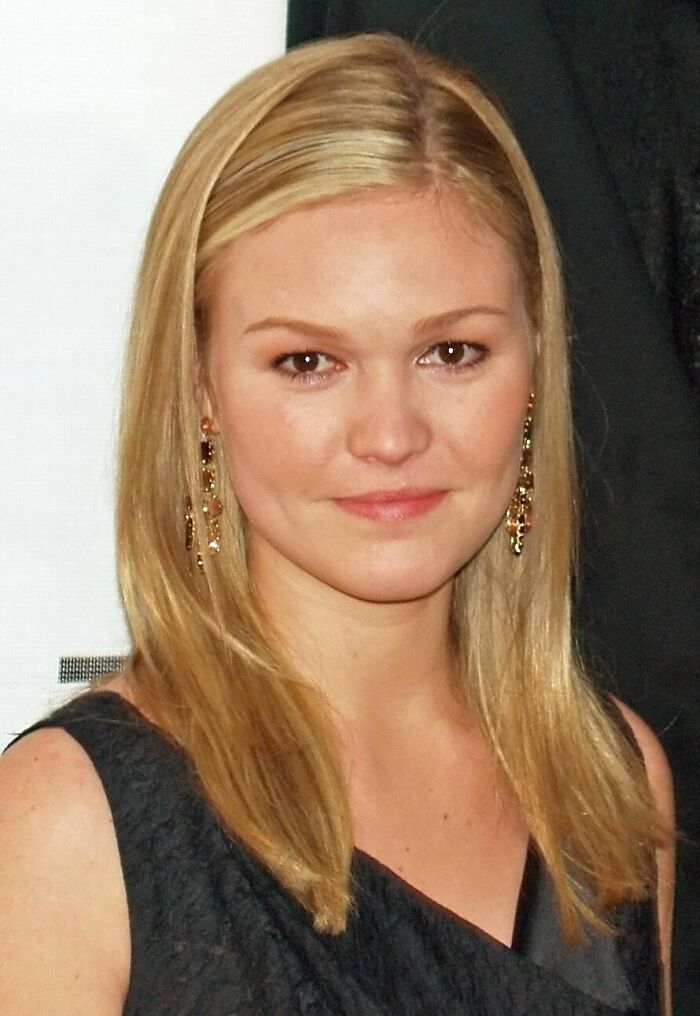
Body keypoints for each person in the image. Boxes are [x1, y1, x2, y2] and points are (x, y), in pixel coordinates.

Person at [0, 33, 674, 1015]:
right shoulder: (72, 824)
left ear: (535, 370)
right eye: (308, 362)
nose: (391, 433)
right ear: (198, 390)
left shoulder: (608, 785)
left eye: (451, 350)